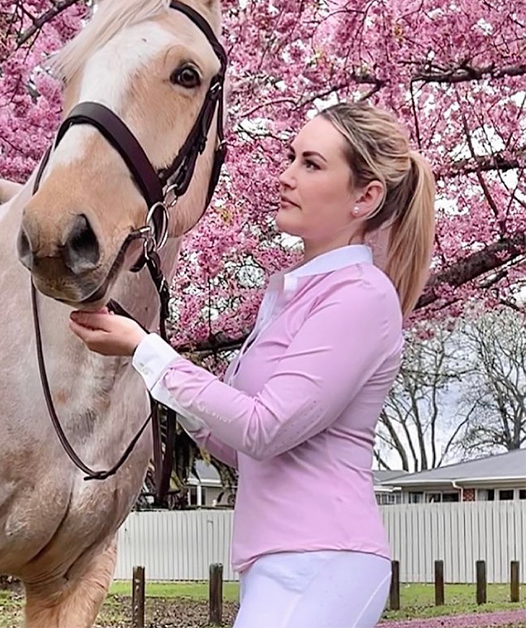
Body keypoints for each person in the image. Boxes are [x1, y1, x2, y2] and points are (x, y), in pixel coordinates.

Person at [69, 102, 436, 628]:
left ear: (366, 196)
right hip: (282, 561)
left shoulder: (361, 297)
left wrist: (146, 350)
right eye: (291, 157)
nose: (285, 175)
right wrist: (146, 365)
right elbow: (241, 447)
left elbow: (266, 427)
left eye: (311, 164)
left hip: (323, 559)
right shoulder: (293, 298)